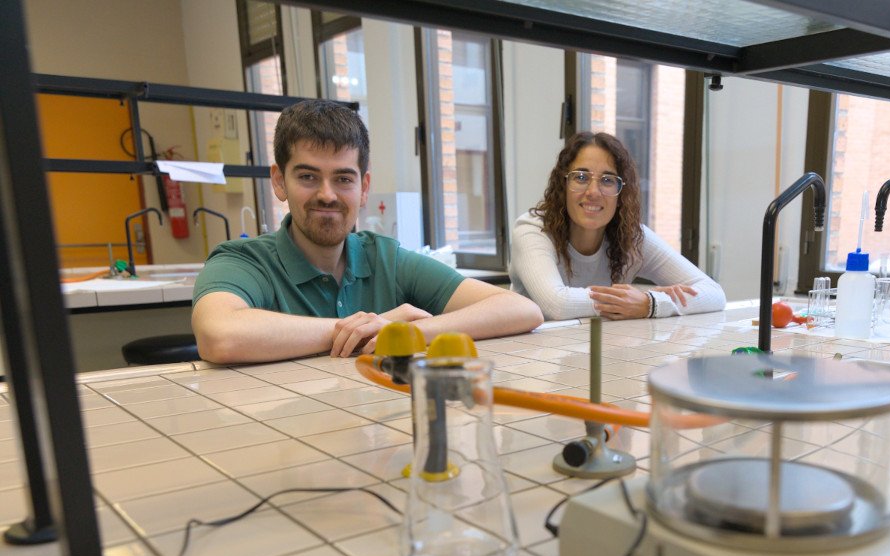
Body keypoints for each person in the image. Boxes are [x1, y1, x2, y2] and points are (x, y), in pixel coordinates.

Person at [192, 100, 542, 364]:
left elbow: (521, 310)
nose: (327, 194)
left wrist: (406, 333)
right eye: (308, 176)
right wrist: (367, 327)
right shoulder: (243, 261)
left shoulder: (386, 258)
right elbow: (219, 335)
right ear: (279, 181)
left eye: (343, 178)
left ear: (363, 188)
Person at [509, 131, 725, 321]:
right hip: (535, 358)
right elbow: (557, 304)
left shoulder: (632, 237)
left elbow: (714, 294)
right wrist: (634, 299)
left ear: (622, 193)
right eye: (581, 177)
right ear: (563, 185)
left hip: (603, 351)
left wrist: (649, 303)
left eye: (607, 180)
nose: (593, 191)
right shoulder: (532, 230)